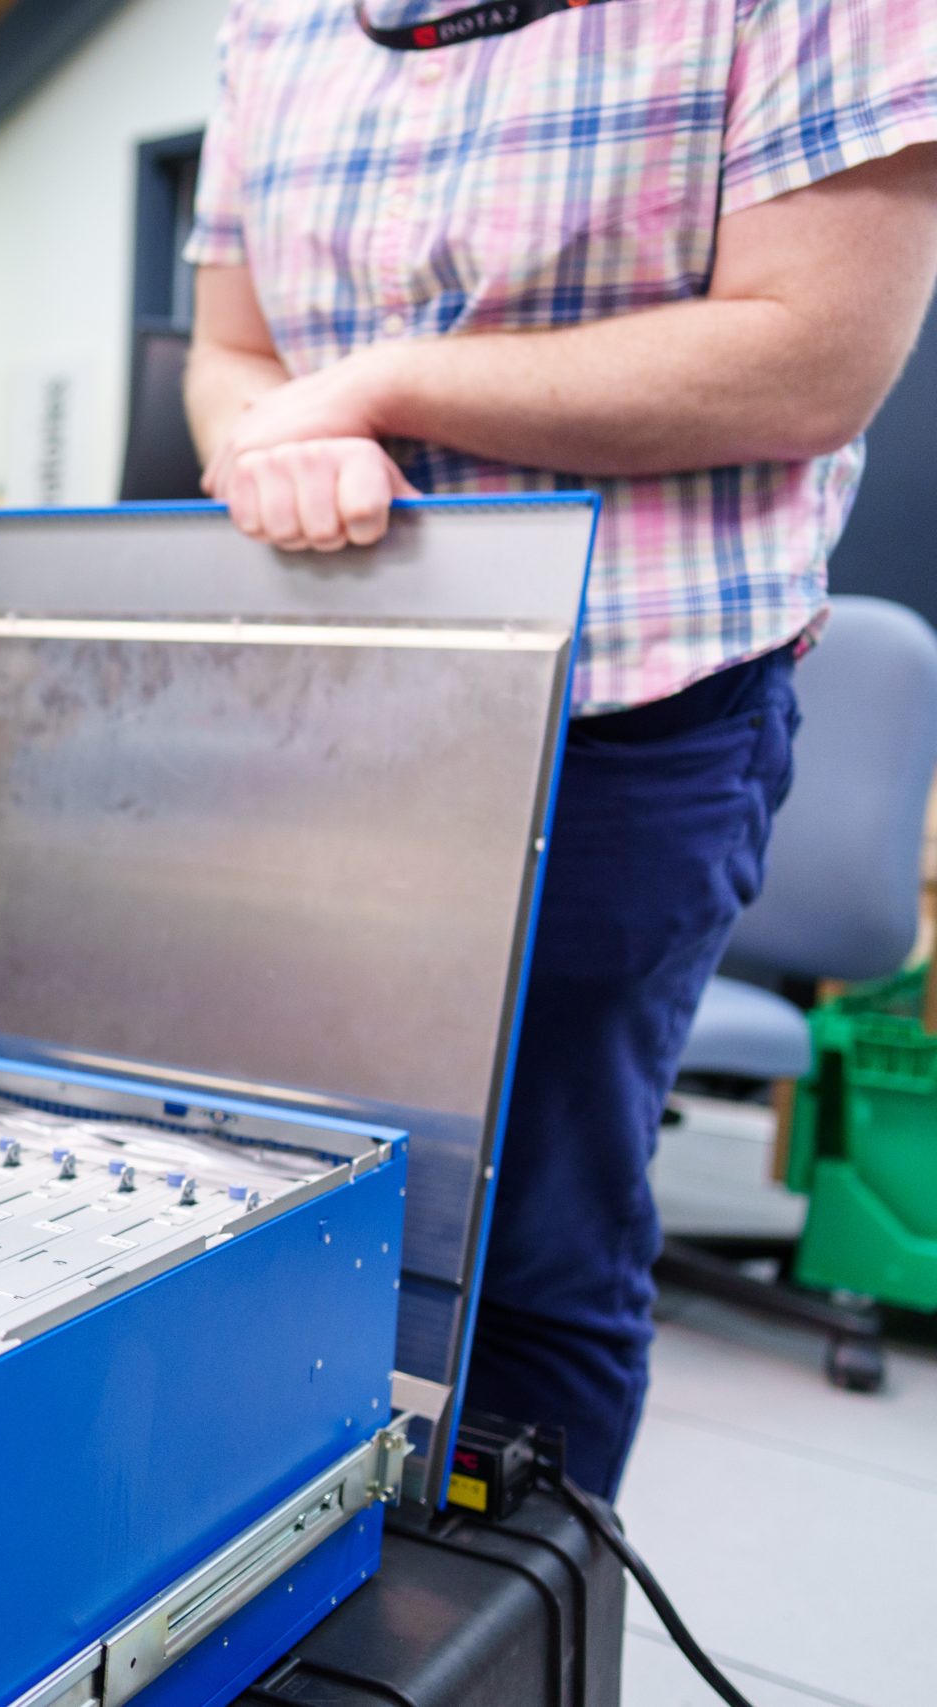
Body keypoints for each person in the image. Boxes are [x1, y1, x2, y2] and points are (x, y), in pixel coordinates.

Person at [184, 0, 937, 1495]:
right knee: (258, 1208)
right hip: (325, 700)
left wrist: (385, 388)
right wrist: (276, 436)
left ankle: (502, 1628)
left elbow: (816, 354)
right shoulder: (271, 24)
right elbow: (232, 350)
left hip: (628, 699)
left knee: (533, 1243)